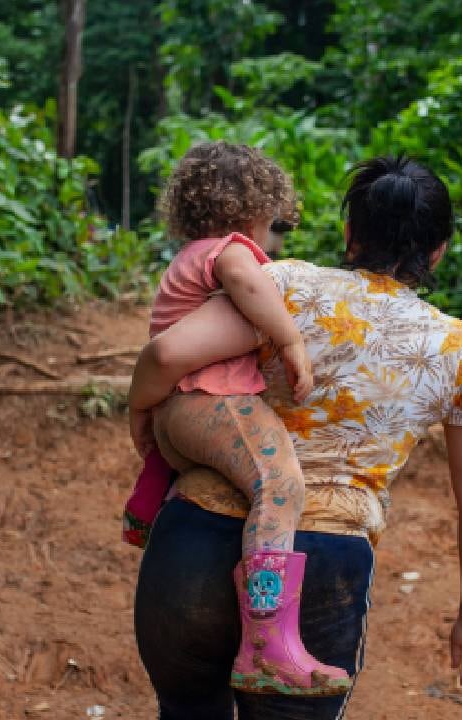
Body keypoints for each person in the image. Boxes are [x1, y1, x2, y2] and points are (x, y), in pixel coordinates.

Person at [129, 156, 462, 719]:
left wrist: (143, 418)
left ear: (350, 234)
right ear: (438, 250)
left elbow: (169, 355)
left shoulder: (281, 284)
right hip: (325, 566)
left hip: (193, 542)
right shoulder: (458, 348)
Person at [129, 140, 352, 696]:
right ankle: (267, 642)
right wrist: (291, 338)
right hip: (213, 402)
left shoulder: (186, 257)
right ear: (257, 206)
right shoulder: (231, 252)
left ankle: (147, 508)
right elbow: (251, 285)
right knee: (279, 484)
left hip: (179, 416)